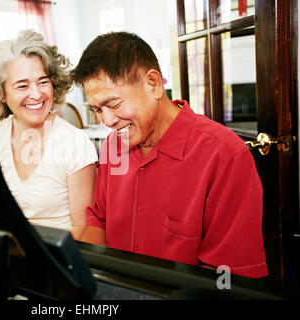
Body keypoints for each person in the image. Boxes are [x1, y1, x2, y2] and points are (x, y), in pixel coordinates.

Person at [71, 31, 268, 278]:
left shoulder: (224, 155)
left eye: (114, 104)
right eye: (97, 109)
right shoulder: (113, 146)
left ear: (152, 84)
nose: (107, 120)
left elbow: (228, 276)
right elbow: (99, 220)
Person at [0, 30, 97, 240]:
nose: (37, 94)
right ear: (1, 94)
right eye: (22, 85)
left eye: (43, 82)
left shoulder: (75, 143)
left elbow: (83, 229)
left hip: (59, 260)